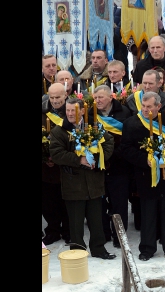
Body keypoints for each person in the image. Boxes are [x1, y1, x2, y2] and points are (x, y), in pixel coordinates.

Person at [119, 91, 165, 260]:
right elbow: (126, 150)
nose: (145, 110)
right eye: (143, 106)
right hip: (146, 175)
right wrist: (146, 159)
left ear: (158, 106)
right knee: (148, 213)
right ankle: (147, 248)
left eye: (149, 107)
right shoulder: (132, 123)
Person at [48, 96, 116, 259]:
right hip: (73, 184)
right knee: (76, 222)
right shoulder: (59, 131)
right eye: (68, 110)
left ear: (83, 111)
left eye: (74, 110)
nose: (70, 113)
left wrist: (98, 157)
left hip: (94, 183)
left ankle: (99, 249)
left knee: (96, 220)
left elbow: (109, 142)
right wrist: (79, 160)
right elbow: (56, 154)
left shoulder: (93, 126)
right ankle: (78, 251)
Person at [93, 84, 132, 246]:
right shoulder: (91, 113)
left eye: (101, 97)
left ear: (111, 97)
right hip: (99, 168)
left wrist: (111, 154)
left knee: (120, 204)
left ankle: (119, 236)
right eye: (95, 98)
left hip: (119, 166)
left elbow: (128, 139)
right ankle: (104, 233)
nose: (98, 101)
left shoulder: (124, 112)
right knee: (100, 205)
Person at [42, 83, 70, 245]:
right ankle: (52, 230)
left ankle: (67, 230)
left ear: (65, 95)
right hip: (46, 168)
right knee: (48, 202)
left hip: (65, 167)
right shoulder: (43, 111)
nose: (54, 101)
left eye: (58, 97)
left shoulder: (71, 110)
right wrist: (46, 158)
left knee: (65, 201)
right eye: (51, 97)